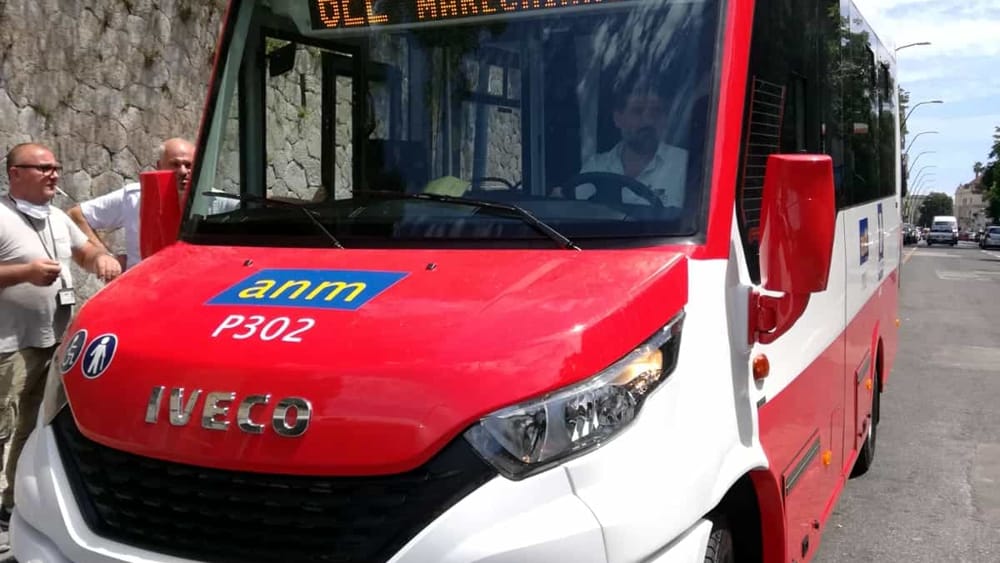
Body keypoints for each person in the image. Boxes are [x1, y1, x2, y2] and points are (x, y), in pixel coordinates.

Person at [0, 143, 121, 534]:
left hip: (53, 342)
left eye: (56, 167)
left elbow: (85, 251)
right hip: (8, 347)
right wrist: (25, 273)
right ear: (15, 173)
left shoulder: (55, 217)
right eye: (43, 168)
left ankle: (13, 503)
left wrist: (100, 258)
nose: (53, 174)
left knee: (33, 428)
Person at [67, 138, 195, 271]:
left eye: (188, 165)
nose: (183, 171)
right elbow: (76, 216)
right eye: (175, 164)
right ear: (159, 166)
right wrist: (105, 257)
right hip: (145, 280)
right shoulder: (135, 197)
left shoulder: (207, 201)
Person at [577, 82, 688, 207]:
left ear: (665, 118)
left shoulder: (683, 165)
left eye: (656, 112)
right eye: (637, 111)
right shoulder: (596, 167)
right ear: (618, 118)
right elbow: (576, 212)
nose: (648, 121)